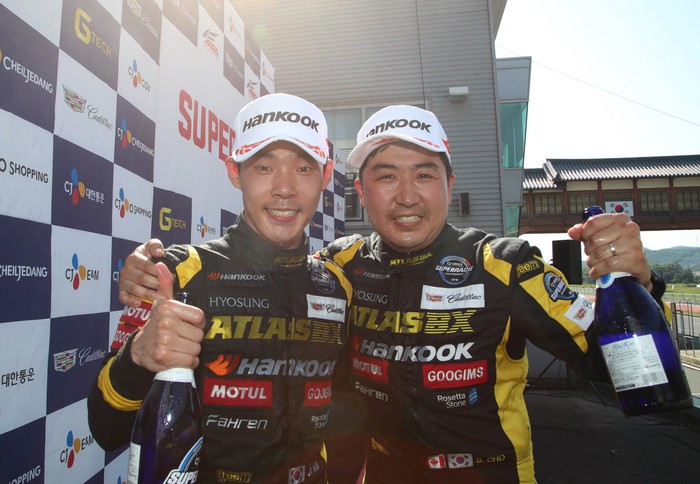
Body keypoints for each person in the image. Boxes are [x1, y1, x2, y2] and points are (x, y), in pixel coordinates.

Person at [120, 105, 665, 483]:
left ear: (449, 184)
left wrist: (638, 287)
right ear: (360, 191)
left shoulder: (505, 266)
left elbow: (629, 374)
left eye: (424, 175)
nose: (407, 197)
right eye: (386, 177)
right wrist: (149, 274)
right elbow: (267, 280)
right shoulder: (339, 269)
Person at [87, 93, 353, 484]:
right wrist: (138, 357)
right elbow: (105, 430)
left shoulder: (337, 286)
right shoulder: (176, 274)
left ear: (326, 176)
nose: (284, 188)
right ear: (234, 172)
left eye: (303, 168)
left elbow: (346, 410)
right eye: (264, 167)